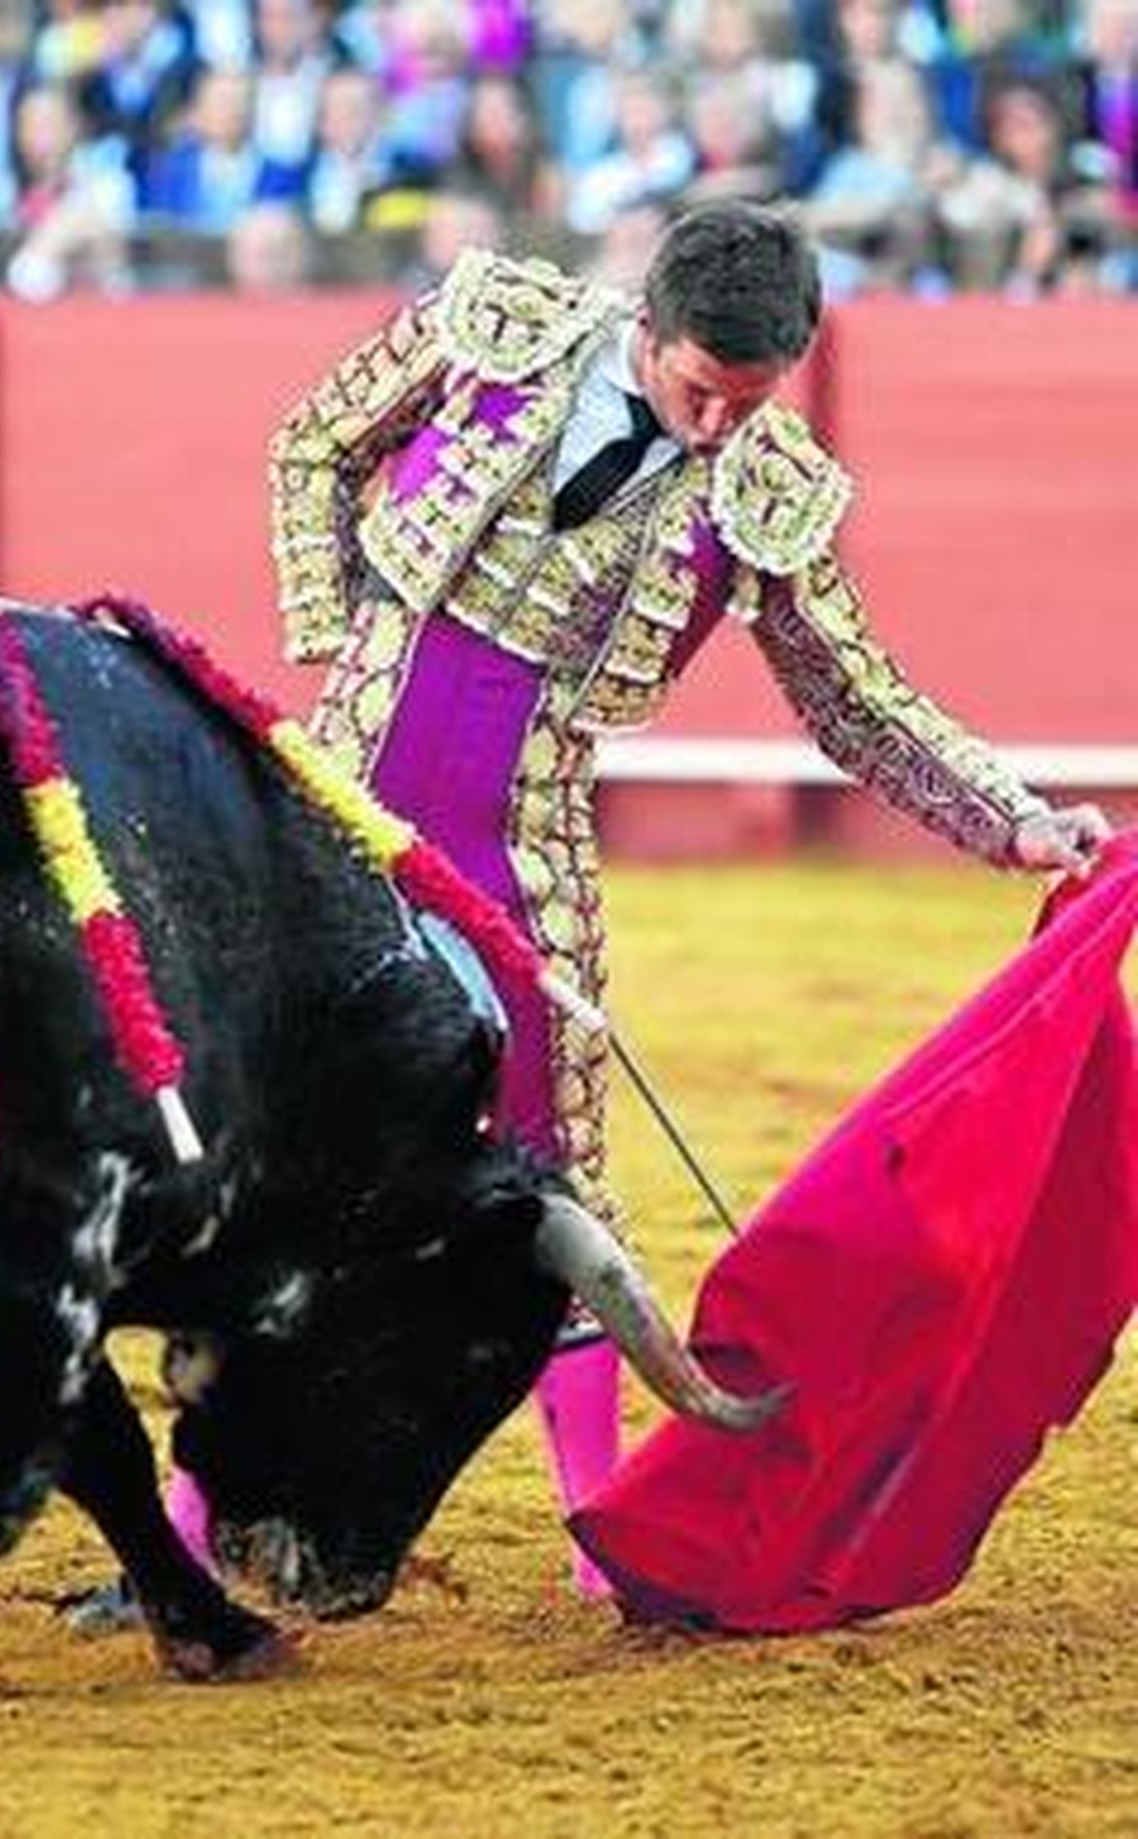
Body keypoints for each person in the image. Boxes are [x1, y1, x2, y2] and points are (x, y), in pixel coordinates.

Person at [75, 200, 1110, 1628]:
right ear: (649, 325)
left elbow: (855, 694)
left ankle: (605, 1541)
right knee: (273, 1168)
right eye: (698, 391)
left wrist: (1014, 817)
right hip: (337, 814)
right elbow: (315, 443)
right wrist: (345, 629)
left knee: (549, 1182)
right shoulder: (497, 329)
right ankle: (187, 1542)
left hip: (523, 846)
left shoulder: (769, 488)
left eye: (748, 404)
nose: (716, 427)